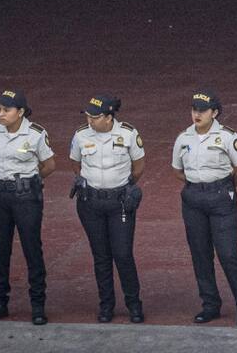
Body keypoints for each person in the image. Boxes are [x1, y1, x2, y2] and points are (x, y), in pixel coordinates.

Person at [172, 90, 237, 327]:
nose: (196, 114)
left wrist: (223, 187)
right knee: (200, 254)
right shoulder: (183, 138)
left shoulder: (227, 137)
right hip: (193, 198)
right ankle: (210, 304)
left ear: (215, 113)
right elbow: (177, 170)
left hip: (220, 198)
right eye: (194, 109)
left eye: (202, 111)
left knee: (228, 254)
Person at [0, 90, 55, 326]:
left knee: (32, 248)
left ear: (21, 112)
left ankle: (37, 304)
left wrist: (28, 181)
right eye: (0, 109)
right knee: (0, 250)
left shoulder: (35, 134)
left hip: (25, 196)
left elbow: (49, 165)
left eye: (6, 110)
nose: (1, 114)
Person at [70, 96, 146, 324]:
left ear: (109, 117)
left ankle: (134, 304)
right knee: (101, 256)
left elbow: (139, 166)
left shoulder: (129, 134)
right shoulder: (81, 135)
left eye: (94, 116)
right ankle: (106, 305)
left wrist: (121, 185)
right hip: (91, 203)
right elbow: (76, 163)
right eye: (88, 116)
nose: (89, 120)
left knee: (122, 255)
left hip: (119, 202)